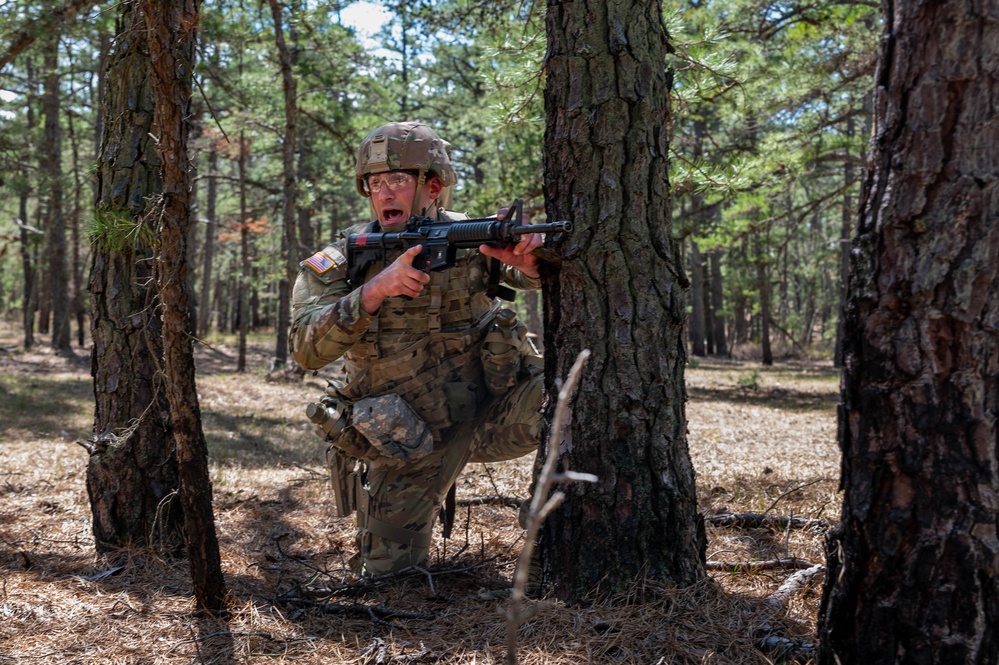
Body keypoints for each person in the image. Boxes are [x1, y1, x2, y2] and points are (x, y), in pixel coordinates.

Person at [290, 121, 546, 577]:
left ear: (432, 186)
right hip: (407, 440)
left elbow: (533, 275)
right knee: (389, 576)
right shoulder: (341, 258)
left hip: (492, 413)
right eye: (375, 183)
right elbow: (305, 350)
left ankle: (554, 532)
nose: (385, 193)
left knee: (568, 397)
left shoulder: (473, 237)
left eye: (398, 181)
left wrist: (535, 261)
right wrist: (371, 293)